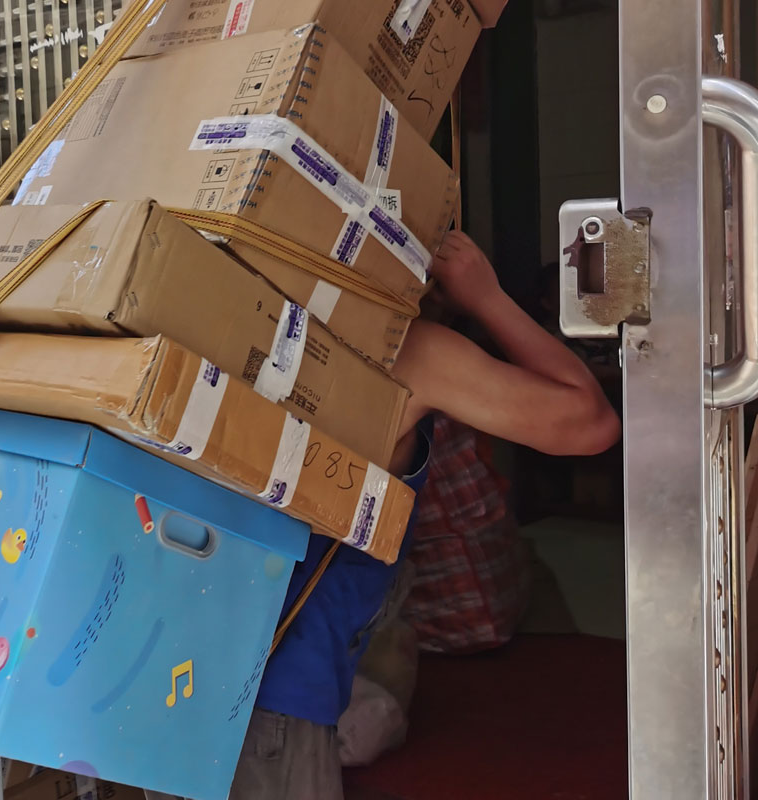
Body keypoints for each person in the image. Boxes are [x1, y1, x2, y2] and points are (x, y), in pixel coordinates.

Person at [229, 231, 620, 800]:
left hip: (169, 649)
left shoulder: (228, 320)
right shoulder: (401, 354)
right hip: (278, 685)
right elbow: (590, 422)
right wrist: (485, 296)